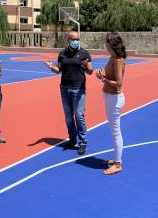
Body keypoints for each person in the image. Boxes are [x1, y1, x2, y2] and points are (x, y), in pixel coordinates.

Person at [45, 30, 93, 155]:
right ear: (68, 40)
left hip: (79, 89)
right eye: (73, 39)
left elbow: (90, 71)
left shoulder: (84, 53)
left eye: (77, 39)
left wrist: (84, 67)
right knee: (68, 117)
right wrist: (51, 67)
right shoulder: (62, 53)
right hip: (65, 89)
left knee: (79, 115)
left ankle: (83, 142)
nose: (76, 41)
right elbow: (58, 70)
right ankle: (72, 139)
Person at [96, 32, 126, 175]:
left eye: (108, 43)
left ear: (113, 45)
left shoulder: (118, 61)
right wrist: (103, 75)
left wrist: (103, 79)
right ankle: (116, 158)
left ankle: (118, 164)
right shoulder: (112, 58)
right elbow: (110, 75)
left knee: (115, 132)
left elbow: (119, 83)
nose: (106, 46)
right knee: (113, 130)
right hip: (110, 97)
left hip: (114, 98)